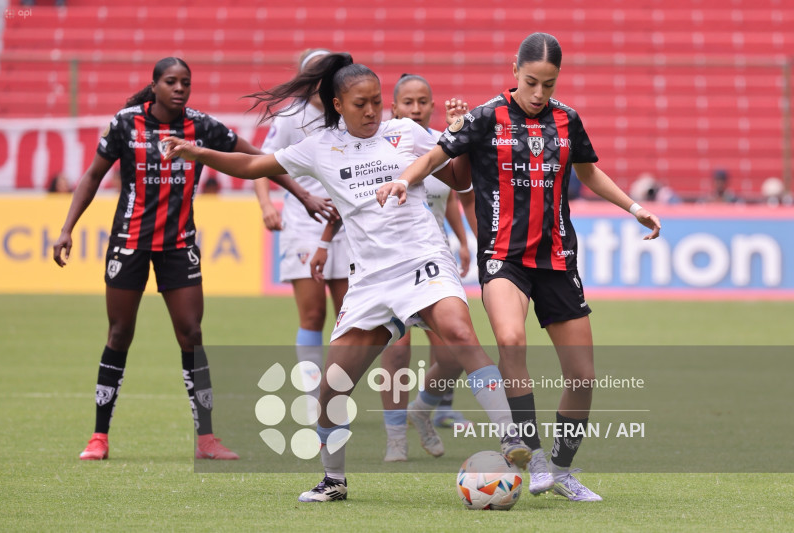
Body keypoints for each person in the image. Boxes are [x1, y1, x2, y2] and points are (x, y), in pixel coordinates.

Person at [163, 52, 532, 502]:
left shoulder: (406, 132)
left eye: (378, 101)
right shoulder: (319, 147)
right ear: (338, 104)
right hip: (371, 279)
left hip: (422, 258)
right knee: (332, 386)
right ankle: (333, 480)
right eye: (362, 103)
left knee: (458, 331)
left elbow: (456, 179)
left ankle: (511, 437)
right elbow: (252, 166)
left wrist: (460, 139)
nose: (374, 110)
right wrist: (196, 152)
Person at [378, 33, 662, 502]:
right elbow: (436, 155)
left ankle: (564, 468)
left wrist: (634, 208)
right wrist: (402, 181)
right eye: (531, 82)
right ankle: (530, 452)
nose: (538, 94)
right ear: (515, 71)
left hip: (556, 259)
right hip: (503, 257)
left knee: (583, 378)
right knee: (510, 339)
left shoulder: (567, 120)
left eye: (548, 85)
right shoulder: (486, 116)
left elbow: (588, 170)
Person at [52, 57, 333, 462]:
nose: (180, 88)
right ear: (155, 86)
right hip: (129, 243)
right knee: (119, 334)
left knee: (192, 335)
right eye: (171, 81)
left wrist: (303, 194)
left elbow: (257, 158)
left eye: (186, 81)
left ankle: (206, 439)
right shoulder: (125, 123)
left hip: (179, 246)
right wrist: (67, 227)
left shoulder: (201, 126)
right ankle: (99, 436)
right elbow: (93, 176)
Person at [376, 73, 474, 462]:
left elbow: (451, 195)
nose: (415, 109)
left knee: (452, 355)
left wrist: (465, 242)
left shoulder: (440, 145)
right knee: (397, 352)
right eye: (407, 102)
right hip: (391, 263)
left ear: (432, 106)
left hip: (433, 260)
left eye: (422, 102)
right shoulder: (380, 145)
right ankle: (395, 438)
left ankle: (423, 407)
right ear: (394, 108)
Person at [253, 49, 350, 414]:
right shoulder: (292, 116)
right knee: (312, 316)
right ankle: (314, 401)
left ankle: (339, 393)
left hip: (348, 227)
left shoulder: (346, 112)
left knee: (350, 316)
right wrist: (266, 206)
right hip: (303, 227)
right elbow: (262, 163)